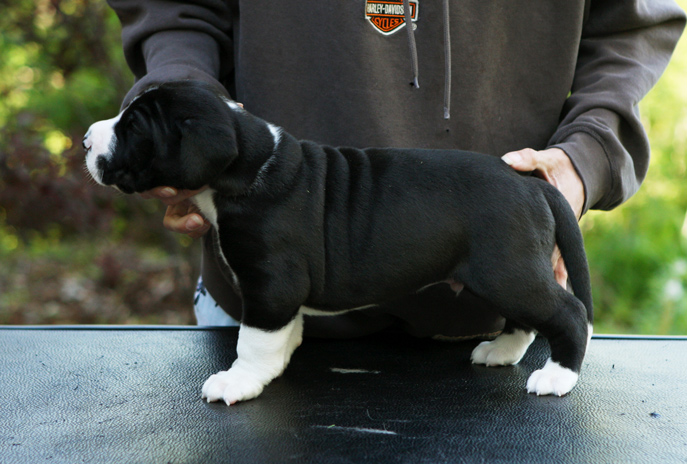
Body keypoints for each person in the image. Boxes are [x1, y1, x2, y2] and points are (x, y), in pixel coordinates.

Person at [107, 0, 685, 339]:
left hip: (505, 315)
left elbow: (630, 23)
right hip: (260, 316)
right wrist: (181, 107)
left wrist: (586, 155)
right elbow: (176, 7)